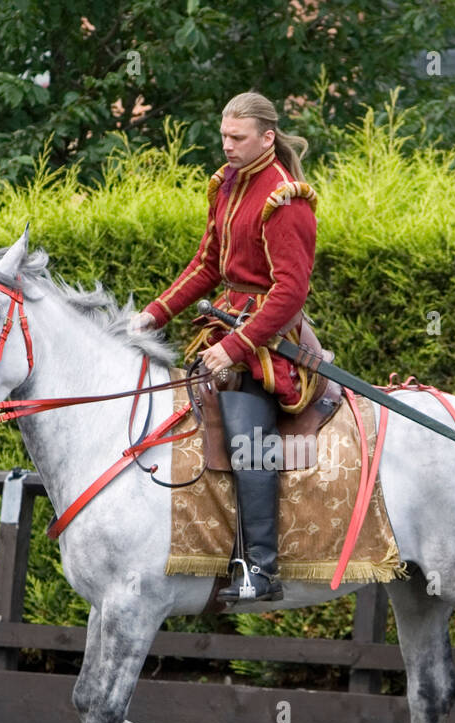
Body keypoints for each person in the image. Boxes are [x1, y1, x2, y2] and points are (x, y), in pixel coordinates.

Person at [130, 91, 319, 603]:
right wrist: (152, 315)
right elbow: (207, 266)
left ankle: (260, 568)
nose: (227, 146)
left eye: (238, 138)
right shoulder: (228, 185)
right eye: (223, 136)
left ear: (267, 137)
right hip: (226, 329)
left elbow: (290, 292)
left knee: (245, 433)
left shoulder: (286, 197)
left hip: (270, 344)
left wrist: (235, 348)